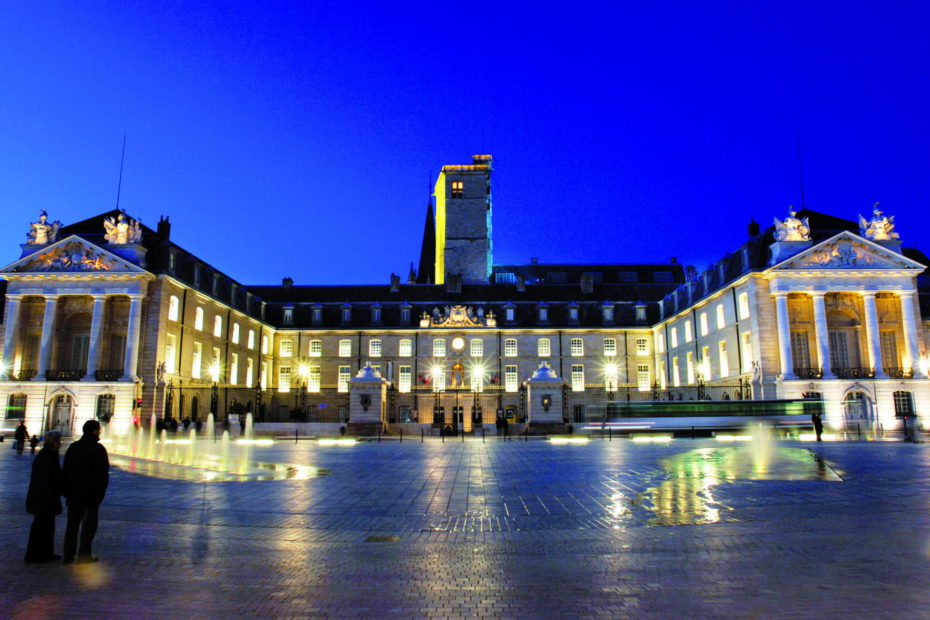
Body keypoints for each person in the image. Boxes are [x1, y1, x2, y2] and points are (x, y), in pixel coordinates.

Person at [62, 420, 109, 564]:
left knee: (72, 526)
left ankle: (68, 555)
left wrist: (67, 492)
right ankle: (84, 555)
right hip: (91, 496)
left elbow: (65, 471)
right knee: (89, 527)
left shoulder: (73, 447)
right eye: (99, 430)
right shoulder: (98, 449)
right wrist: (99, 495)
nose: (100, 432)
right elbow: (103, 475)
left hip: (74, 495)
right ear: (94, 431)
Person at [24, 431, 63, 563]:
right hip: (44, 498)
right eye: (58, 441)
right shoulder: (47, 457)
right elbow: (48, 478)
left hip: (45, 497)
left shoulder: (49, 455)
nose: (60, 444)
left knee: (46, 526)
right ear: (53, 442)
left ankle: (45, 552)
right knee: (41, 526)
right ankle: (34, 554)